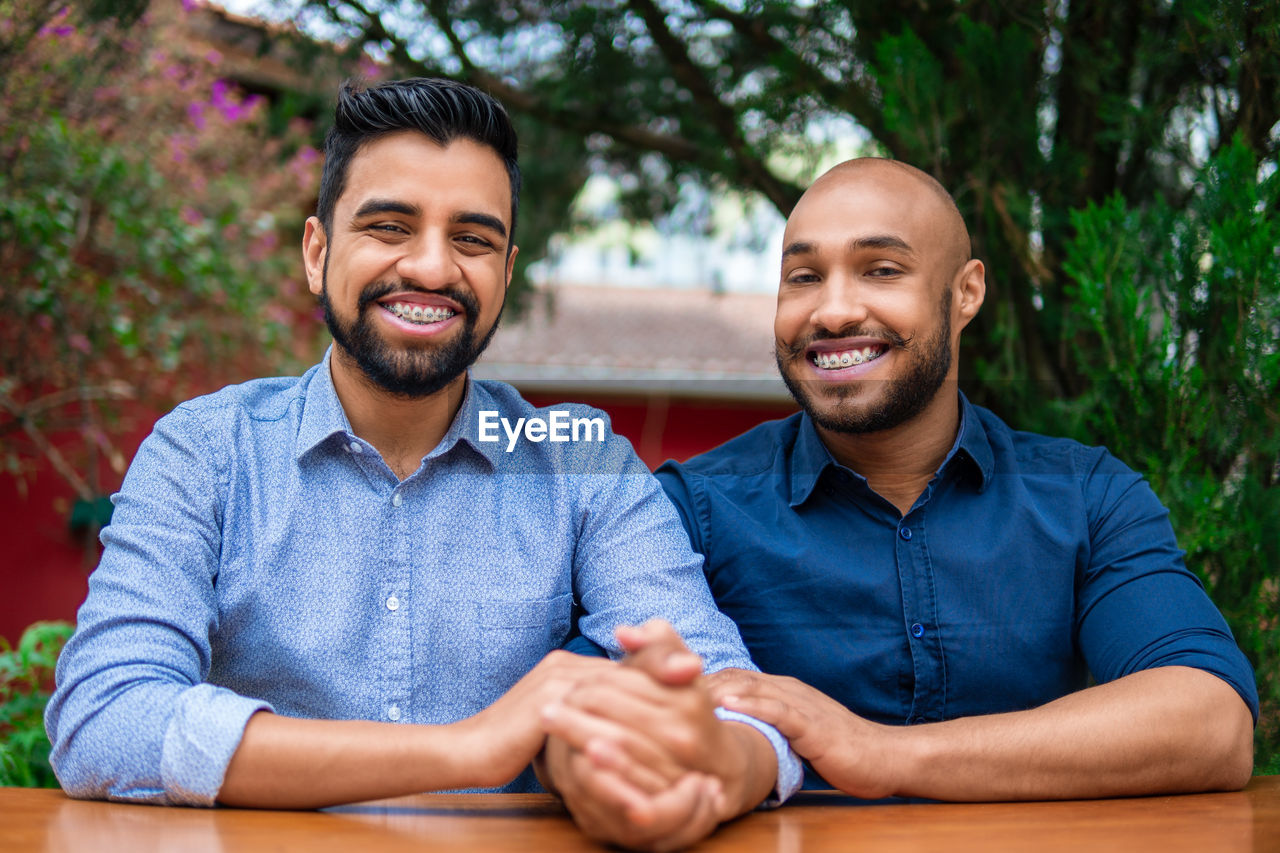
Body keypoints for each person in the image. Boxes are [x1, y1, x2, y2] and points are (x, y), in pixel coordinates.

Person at [44, 78, 800, 847]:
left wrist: (707, 760)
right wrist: (470, 746)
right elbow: (104, 718)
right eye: (389, 226)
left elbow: (739, 708)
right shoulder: (208, 451)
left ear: (506, 273)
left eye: (471, 239)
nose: (433, 268)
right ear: (317, 252)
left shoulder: (579, 461)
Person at [563, 157, 1257, 805]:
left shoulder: (1086, 496)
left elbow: (1211, 721)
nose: (832, 311)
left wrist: (879, 752)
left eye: (881, 269)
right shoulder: (691, 509)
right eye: (803, 277)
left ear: (967, 292)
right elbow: (583, 706)